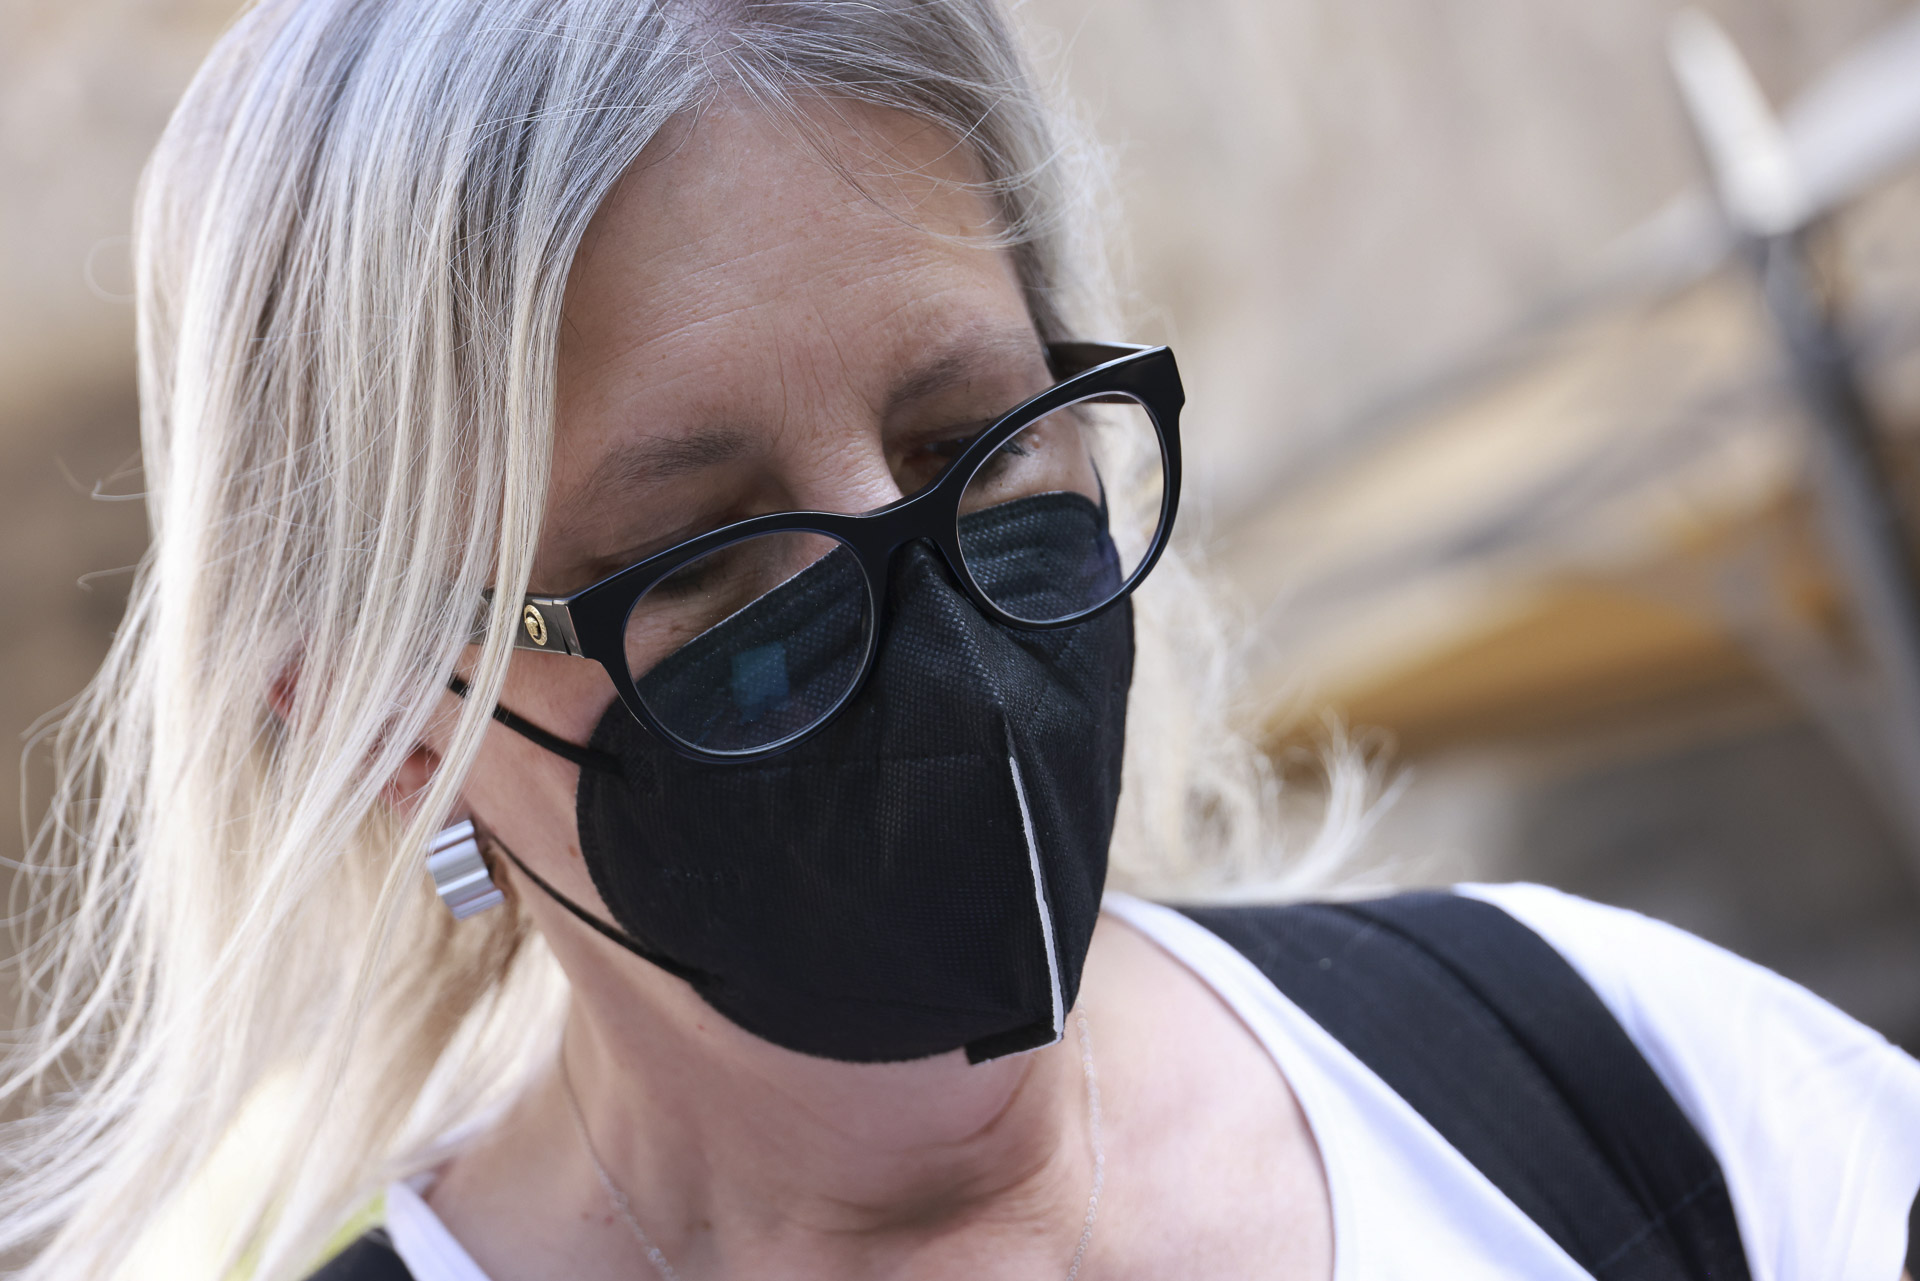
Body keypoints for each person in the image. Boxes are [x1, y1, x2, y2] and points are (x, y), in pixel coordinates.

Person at [5, 1, 1917, 1278]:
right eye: (704, 556)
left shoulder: (1627, 1086)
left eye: (968, 445)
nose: (922, 613)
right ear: (384, 725)